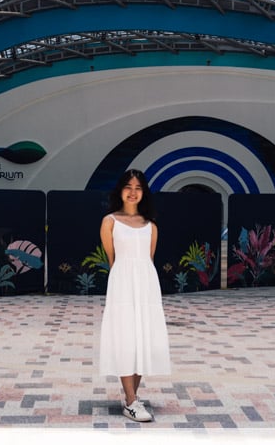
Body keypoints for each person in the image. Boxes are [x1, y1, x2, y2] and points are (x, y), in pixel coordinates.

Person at [98, 168, 171, 422]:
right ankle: (131, 401)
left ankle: (132, 398)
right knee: (125, 337)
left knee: (143, 338)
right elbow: (112, 260)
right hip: (122, 285)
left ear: (144, 193)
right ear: (120, 190)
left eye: (138, 188)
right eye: (128, 187)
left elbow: (149, 260)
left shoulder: (150, 226)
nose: (132, 192)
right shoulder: (110, 221)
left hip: (147, 285)